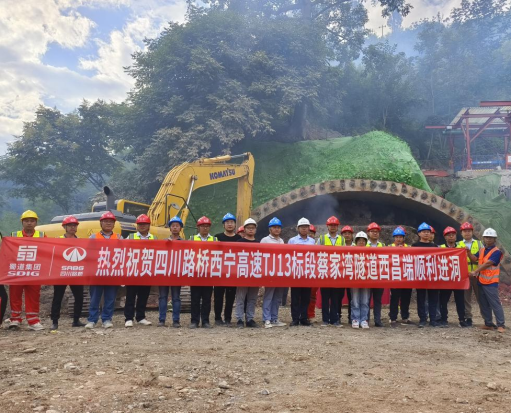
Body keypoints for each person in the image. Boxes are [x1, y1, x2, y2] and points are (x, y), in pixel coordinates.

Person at [8, 210, 46, 331]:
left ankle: (33, 321)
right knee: (15, 295)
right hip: (18, 271)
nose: (29, 223)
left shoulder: (42, 235)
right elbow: (8, 253)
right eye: (26, 221)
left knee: (33, 296)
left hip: (34, 271)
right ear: (22, 222)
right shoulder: (14, 235)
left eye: (32, 221)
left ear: (36, 222)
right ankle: (15, 319)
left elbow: (47, 252)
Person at [86, 211, 122, 329]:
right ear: (101, 223)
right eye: (106, 221)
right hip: (97, 272)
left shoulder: (119, 237)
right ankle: (92, 319)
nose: (108, 223)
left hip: (112, 272)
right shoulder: (93, 237)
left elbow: (124, 253)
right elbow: (88, 253)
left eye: (111, 222)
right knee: (95, 298)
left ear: (114, 224)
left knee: (110, 298)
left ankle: (106, 319)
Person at [50, 216, 86, 331]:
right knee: (57, 297)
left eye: (74, 225)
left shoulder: (81, 241)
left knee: (79, 297)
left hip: (76, 273)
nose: (72, 227)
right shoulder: (58, 239)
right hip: (61, 273)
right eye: (70, 225)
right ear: (64, 227)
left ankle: (76, 320)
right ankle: (54, 321)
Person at [469, 228, 505, 333]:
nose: (488, 239)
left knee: (495, 304)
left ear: (494, 239)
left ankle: (501, 324)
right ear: (483, 238)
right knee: (483, 303)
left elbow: (488, 263)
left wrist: (475, 271)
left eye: (490, 238)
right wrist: (467, 252)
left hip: (491, 282)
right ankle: (488, 323)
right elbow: (474, 259)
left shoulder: (497, 252)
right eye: (486, 237)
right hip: (481, 281)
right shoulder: (482, 250)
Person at [124, 215, 155, 328]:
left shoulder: (154, 238)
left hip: (146, 270)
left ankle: (141, 317)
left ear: (149, 226)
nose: (142, 226)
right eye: (140, 224)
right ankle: (128, 318)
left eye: (145, 224)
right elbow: (123, 250)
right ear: (137, 226)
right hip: (133, 270)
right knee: (130, 295)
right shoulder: (131, 237)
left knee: (143, 295)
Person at [189, 216, 217, 329]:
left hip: (208, 274)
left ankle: (205, 321)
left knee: (206, 299)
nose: (205, 228)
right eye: (202, 226)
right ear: (198, 227)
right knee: (195, 299)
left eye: (207, 226)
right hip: (196, 273)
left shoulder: (214, 240)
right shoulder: (192, 239)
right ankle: (194, 321)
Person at [214, 213, 242, 327]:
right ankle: (217, 318)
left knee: (230, 297)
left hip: (233, 272)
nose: (229, 224)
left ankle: (228, 318)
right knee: (218, 296)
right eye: (227, 222)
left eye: (232, 222)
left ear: (235, 224)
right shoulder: (217, 237)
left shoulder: (239, 239)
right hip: (220, 271)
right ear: (223, 225)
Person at [288, 218, 316, 327]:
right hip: (296, 272)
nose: (304, 229)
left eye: (306, 227)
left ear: (309, 228)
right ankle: (295, 318)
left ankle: (304, 318)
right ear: (298, 228)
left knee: (306, 297)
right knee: (295, 297)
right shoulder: (292, 241)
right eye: (302, 227)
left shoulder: (312, 241)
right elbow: (288, 255)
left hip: (307, 273)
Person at [260, 218, 287, 329]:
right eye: (274, 227)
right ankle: (266, 318)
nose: (277, 229)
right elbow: (261, 256)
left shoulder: (281, 241)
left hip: (279, 272)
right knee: (269, 296)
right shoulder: (265, 240)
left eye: (278, 227)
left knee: (277, 297)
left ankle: (274, 318)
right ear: (270, 229)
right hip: (269, 272)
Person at [439, 227, 469, 328]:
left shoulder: (461, 247)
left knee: (460, 300)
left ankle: (462, 319)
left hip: (458, 278)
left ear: (456, 236)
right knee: (443, 300)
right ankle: (444, 319)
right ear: (445, 237)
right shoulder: (440, 248)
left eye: (453, 234)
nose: (451, 236)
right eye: (448, 235)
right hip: (446, 279)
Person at [318, 216, 344, 327]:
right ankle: (325, 319)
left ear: (337, 227)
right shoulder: (322, 239)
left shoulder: (342, 240)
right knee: (325, 297)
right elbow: (316, 253)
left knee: (335, 298)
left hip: (336, 272)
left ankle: (334, 319)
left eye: (335, 225)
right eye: (331, 225)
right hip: (325, 272)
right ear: (327, 226)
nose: (333, 227)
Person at [413, 223, 440, 328]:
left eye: (428, 232)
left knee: (433, 298)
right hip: (420, 275)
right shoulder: (414, 246)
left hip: (432, 275)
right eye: (424, 232)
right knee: (421, 298)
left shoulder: (434, 246)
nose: (426, 234)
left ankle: (433, 319)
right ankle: (422, 319)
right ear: (419, 234)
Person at [159, 217, 184, 328]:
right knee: (162, 297)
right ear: (170, 228)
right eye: (173, 226)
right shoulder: (164, 241)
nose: (175, 228)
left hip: (176, 273)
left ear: (180, 228)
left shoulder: (184, 242)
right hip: (164, 273)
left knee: (176, 297)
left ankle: (176, 320)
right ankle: (161, 319)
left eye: (177, 226)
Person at [235, 218, 260, 328]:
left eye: (252, 228)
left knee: (252, 298)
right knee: (240, 298)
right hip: (242, 274)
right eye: (248, 228)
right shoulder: (239, 243)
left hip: (255, 274)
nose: (250, 230)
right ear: (244, 229)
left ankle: (250, 319)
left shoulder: (259, 243)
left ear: (255, 229)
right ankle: (239, 319)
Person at [458, 222, 483, 327]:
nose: (467, 233)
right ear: (461, 233)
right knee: (466, 298)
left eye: (469, 231)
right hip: (465, 276)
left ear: (472, 232)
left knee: (481, 297)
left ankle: (487, 318)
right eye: (465, 231)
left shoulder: (479, 244)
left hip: (477, 275)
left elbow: (481, 259)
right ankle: (468, 317)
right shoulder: (458, 245)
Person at [388, 227, 413, 328]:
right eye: (397, 237)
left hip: (406, 276)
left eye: (400, 237)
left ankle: (405, 316)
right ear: (394, 238)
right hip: (395, 276)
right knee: (395, 298)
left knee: (406, 297)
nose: (399, 239)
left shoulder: (409, 247)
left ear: (403, 238)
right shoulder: (389, 247)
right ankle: (393, 317)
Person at [366, 222, 385, 327]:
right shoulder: (365, 245)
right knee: (367, 300)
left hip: (379, 276)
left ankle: (377, 320)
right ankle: (366, 319)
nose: (375, 233)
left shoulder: (382, 245)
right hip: (368, 276)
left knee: (378, 300)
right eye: (372, 231)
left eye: (376, 231)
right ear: (368, 233)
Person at [352, 232, 371, 329]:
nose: (361, 242)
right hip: (354, 280)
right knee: (355, 300)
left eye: (363, 241)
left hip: (366, 280)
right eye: (359, 241)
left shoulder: (370, 252)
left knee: (365, 300)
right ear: (356, 242)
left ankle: (364, 319)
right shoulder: (351, 252)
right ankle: (355, 319)